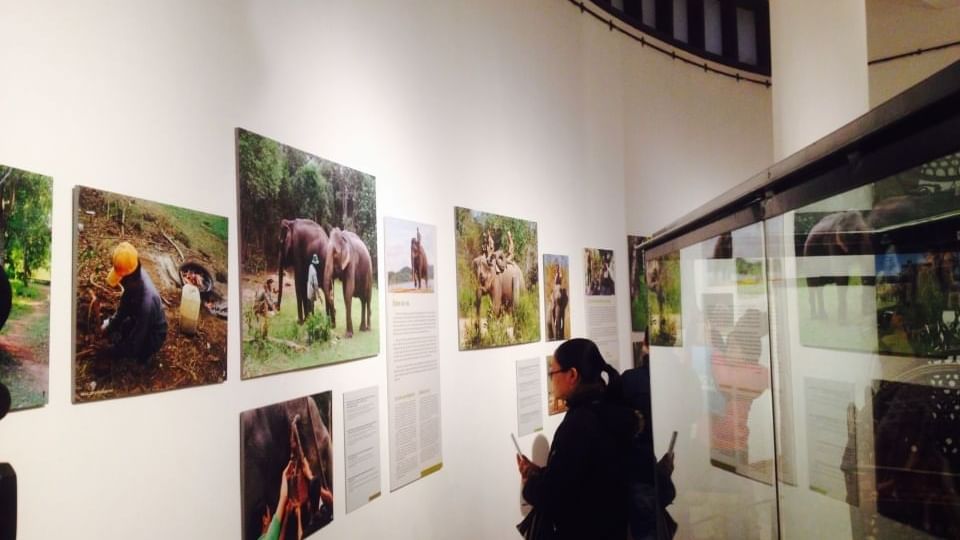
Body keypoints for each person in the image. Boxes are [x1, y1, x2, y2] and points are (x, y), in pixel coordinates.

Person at [517, 338, 638, 540]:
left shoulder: (579, 423)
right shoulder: (610, 410)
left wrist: (530, 483)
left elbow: (554, 495)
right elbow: (582, 473)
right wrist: (542, 473)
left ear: (572, 375)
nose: (551, 379)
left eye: (552, 373)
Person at [622, 329, 677, 540]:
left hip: (639, 474)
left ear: (645, 343)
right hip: (662, 471)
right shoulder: (681, 376)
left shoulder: (630, 381)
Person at [99, 241, 167, 363]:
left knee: (136, 351)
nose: (120, 283)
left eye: (121, 280)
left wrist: (110, 351)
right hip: (139, 318)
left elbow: (134, 343)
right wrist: (110, 325)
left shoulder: (147, 303)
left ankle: (145, 357)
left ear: (130, 278)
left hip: (153, 334)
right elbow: (123, 309)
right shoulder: (134, 279)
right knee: (123, 326)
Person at [259, 460, 294, 540]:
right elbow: (283, 497)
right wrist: (284, 476)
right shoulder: (269, 537)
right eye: (269, 514)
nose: (271, 518)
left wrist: (286, 515)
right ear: (264, 520)